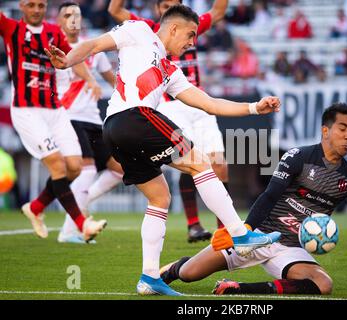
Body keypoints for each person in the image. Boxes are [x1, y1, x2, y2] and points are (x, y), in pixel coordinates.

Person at [45, 4, 281, 296]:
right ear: (173, 28)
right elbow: (94, 44)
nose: (193, 42)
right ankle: (239, 233)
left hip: (117, 131)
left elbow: (208, 103)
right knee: (200, 162)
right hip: (133, 116)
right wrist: (67, 60)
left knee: (159, 197)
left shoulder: (170, 71)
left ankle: (149, 278)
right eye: (191, 35)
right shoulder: (138, 30)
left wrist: (253, 108)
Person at [159, 103, 347, 296]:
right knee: (189, 273)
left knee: (323, 284)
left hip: (290, 249)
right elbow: (269, 195)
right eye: (342, 129)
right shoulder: (299, 157)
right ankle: (170, 269)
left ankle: (237, 288)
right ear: (326, 130)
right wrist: (245, 232)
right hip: (259, 235)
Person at [108, 0, 229, 243]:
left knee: (219, 165)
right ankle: (194, 224)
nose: (167, 9)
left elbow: (218, 11)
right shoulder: (147, 29)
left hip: (197, 100)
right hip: (169, 104)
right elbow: (114, 11)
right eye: (164, 5)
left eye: (173, 5)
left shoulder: (189, 27)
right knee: (189, 161)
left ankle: (223, 231)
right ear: (157, 9)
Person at [0, 0, 107, 241]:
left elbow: (70, 59)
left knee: (74, 167)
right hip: (27, 110)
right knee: (58, 165)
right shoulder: (11, 28)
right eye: (31, 5)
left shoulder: (53, 33)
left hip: (54, 109)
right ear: (22, 6)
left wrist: (90, 79)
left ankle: (35, 207)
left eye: (41, 5)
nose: (36, 10)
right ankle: (82, 225)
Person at [55, 2, 124, 243]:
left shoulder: (93, 49)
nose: (73, 19)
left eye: (77, 14)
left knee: (119, 169)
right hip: (68, 116)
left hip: (93, 118)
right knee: (87, 170)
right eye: (68, 15)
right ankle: (69, 229)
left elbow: (114, 80)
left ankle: (80, 205)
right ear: (59, 19)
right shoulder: (54, 48)